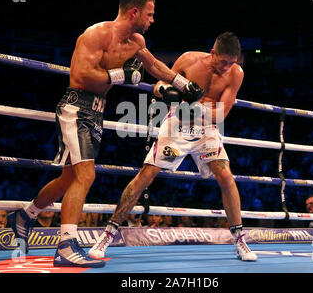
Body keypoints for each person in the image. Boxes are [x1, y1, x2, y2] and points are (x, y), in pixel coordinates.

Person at [7, 0, 202, 268]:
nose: (152, 20)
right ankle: (65, 247)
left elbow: (155, 67)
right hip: (76, 107)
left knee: (68, 178)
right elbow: (80, 74)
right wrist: (121, 74)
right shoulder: (96, 34)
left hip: (96, 112)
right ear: (134, 11)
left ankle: (24, 217)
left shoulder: (135, 41)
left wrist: (184, 85)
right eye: (149, 14)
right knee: (85, 176)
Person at [89, 32, 257, 261]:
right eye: (223, 61)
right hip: (177, 123)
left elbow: (220, 115)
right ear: (213, 53)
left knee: (227, 177)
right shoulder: (189, 60)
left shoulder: (236, 73)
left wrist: (189, 104)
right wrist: (163, 92)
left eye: (231, 62)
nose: (227, 67)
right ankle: (108, 235)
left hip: (206, 129)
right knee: (146, 175)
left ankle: (239, 240)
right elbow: (160, 83)